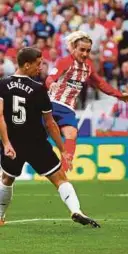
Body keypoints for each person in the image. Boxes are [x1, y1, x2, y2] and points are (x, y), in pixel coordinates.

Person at [0, 47, 100, 228]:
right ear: (27, 64)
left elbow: (0, 116)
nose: (41, 68)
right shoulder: (38, 89)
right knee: (60, 178)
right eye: (38, 64)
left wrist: (6, 143)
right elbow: (50, 123)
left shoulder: (2, 85)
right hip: (37, 144)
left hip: (13, 144)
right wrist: (63, 149)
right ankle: (76, 210)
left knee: (7, 178)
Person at [45, 31, 128, 172]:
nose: (85, 54)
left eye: (88, 51)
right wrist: (51, 84)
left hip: (68, 108)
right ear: (74, 48)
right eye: (82, 50)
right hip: (52, 104)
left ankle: (64, 168)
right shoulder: (64, 62)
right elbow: (50, 78)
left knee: (72, 134)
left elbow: (101, 84)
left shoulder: (88, 67)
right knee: (33, 136)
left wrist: (119, 95)